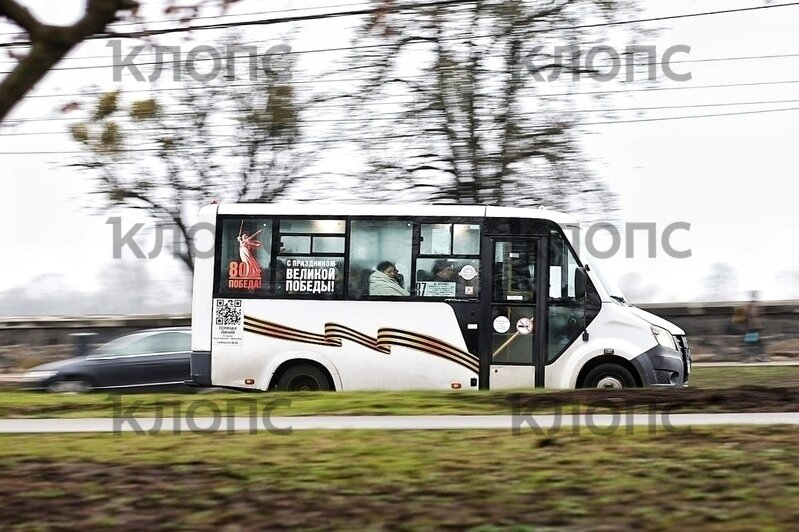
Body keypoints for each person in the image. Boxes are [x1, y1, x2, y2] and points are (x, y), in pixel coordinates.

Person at [742, 291, 766, 362]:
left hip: (752, 326)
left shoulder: (748, 305)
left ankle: (750, 357)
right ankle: (760, 356)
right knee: (756, 341)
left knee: (751, 342)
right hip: (756, 325)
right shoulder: (758, 305)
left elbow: (744, 316)